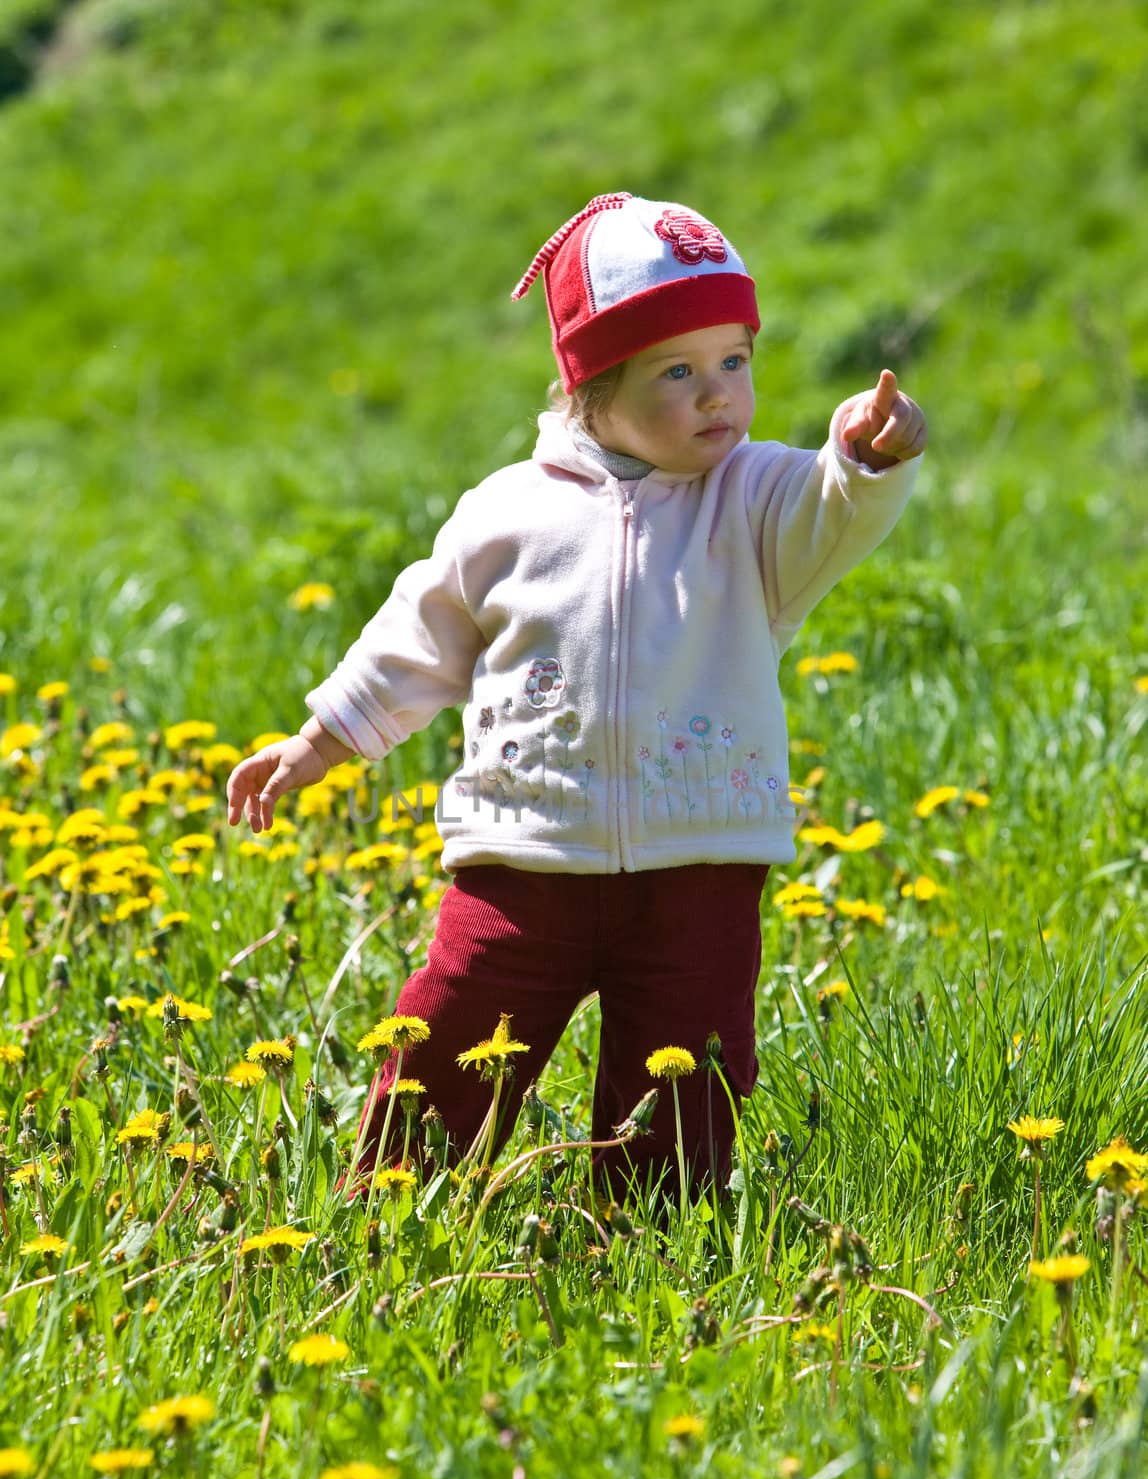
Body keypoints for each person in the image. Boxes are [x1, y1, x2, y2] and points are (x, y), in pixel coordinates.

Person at [226, 192, 927, 1201]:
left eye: (733, 360)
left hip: (700, 858)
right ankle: (388, 1212)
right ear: (588, 385)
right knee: (450, 1036)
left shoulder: (754, 501)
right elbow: (417, 638)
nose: (716, 396)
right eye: (675, 371)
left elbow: (831, 511)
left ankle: (647, 1243)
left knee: (685, 1073)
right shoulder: (508, 512)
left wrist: (865, 456)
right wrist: (321, 740)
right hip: (523, 857)